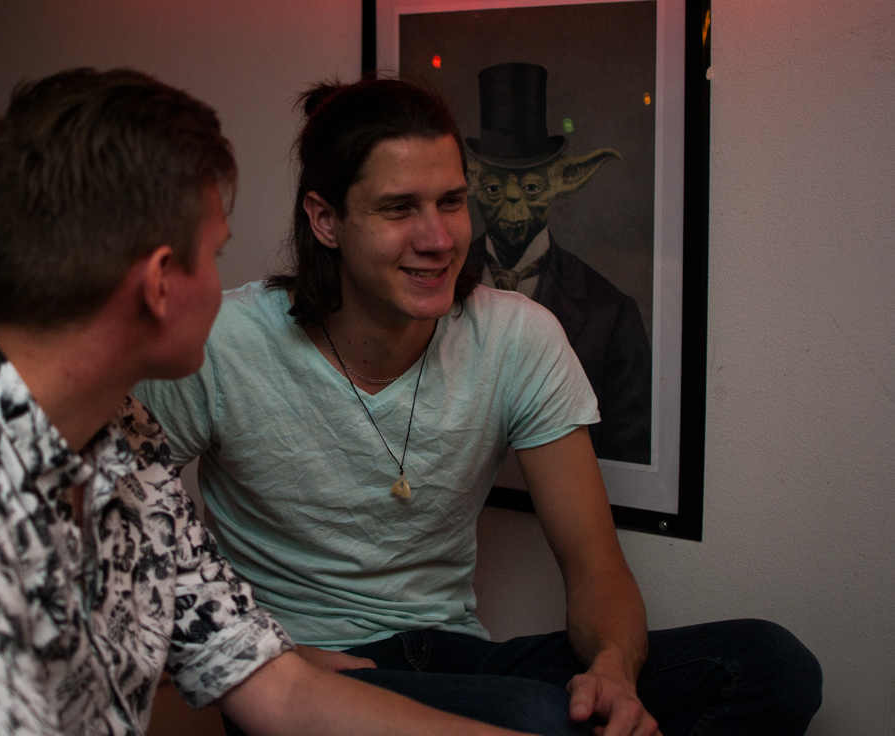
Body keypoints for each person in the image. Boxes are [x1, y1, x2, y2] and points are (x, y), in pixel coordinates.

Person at [0, 68, 538, 736]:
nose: (225, 287)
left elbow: (269, 685)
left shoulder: (123, 437)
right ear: (158, 284)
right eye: (213, 256)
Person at [134, 76, 823, 735]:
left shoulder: (517, 336)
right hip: (307, 676)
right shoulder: (225, 344)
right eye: (399, 209)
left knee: (768, 666)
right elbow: (109, 556)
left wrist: (614, 670)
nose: (438, 239)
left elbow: (596, 568)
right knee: (538, 719)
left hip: (455, 654)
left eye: (452, 201)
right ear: (326, 220)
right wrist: (259, 656)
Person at [465, 62, 651, 464]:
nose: (513, 201)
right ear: (471, 184)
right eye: (495, 188)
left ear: (563, 181)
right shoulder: (435, 290)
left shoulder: (611, 314)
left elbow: (628, 455)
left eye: (531, 187)